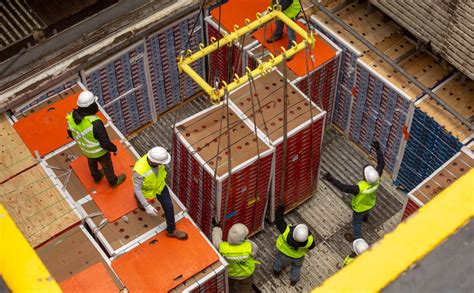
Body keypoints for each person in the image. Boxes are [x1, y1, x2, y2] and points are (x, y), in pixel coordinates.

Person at [323, 141, 385, 242]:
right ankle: (365, 218)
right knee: (366, 211)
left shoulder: (359, 188)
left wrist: (331, 179)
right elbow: (381, 163)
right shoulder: (377, 178)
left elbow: (344, 188)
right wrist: (378, 149)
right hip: (370, 203)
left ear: (365, 177)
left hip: (359, 208)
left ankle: (357, 238)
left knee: (356, 223)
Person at [66, 91, 126, 187]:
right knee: (107, 166)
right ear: (91, 106)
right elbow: (105, 143)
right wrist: (115, 148)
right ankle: (113, 182)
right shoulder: (95, 122)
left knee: (92, 162)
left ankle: (97, 177)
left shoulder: (71, 117)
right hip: (100, 152)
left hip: (86, 151)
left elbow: (71, 133)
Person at [133, 146, 187, 240]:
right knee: (141, 202)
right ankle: (140, 201)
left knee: (169, 207)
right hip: (147, 191)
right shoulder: (140, 170)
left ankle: (171, 230)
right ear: (154, 161)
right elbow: (137, 189)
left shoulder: (157, 158)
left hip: (160, 187)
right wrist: (146, 206)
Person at [273, 205, 315, 286]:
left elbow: (279, 221)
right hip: (298, 258)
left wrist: (280, 208)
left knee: (279, 262)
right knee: (296, 268)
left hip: (283, 254)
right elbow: (312, 246)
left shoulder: (286, 232)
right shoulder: (309, 241)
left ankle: (276, 272)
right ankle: (294, 281)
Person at [212, 223, 258, 293]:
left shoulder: (223, 248)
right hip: (246, 274)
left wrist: (217, 228)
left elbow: (216, 240)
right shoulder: (249, 246)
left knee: (229, 285)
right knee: (245, 287)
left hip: (231, 273)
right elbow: (255, 252)